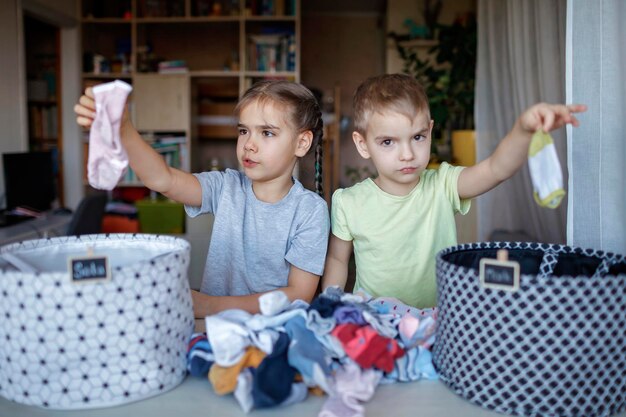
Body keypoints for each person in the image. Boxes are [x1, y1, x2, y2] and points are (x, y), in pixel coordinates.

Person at [322, 73, 586, 309]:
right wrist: (331, 304)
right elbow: (336, 259)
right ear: (363, 144)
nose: (407, 154)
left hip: (441, 322)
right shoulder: (349, 202)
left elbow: (496, 169)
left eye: (418, 137)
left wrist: (523, 130)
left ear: (430, 131)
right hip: (377, 321)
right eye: (388, 142)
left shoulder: (444, 185)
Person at [75, 80, 330, 315]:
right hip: (212, 325)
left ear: (302, 142)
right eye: (243, 131)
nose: (249, 144)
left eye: (267, 133)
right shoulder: (225, 185)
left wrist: (208, 304)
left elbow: (299, 295)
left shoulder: (310, 211)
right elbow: (164, 179)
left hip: (271, 330)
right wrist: (123, 129)